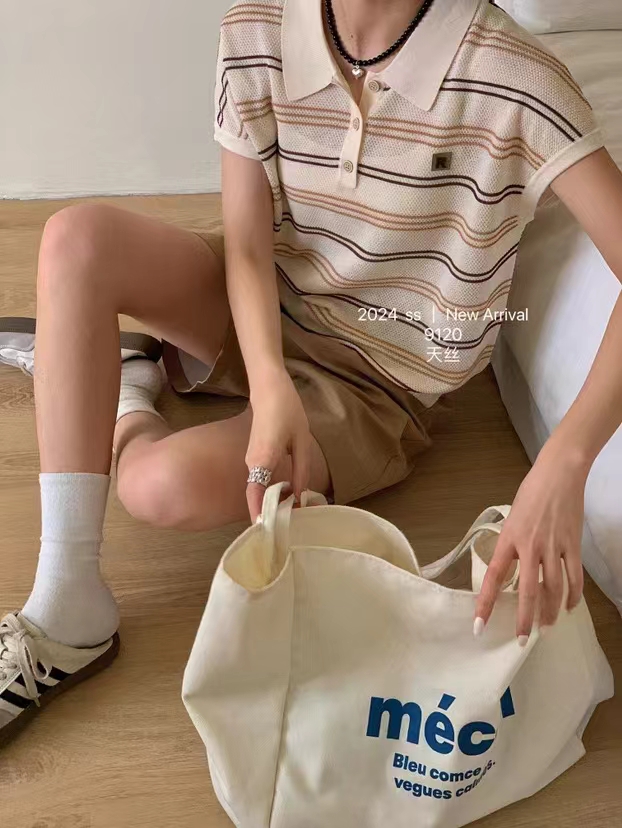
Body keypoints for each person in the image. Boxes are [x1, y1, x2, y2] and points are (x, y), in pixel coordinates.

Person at [1, 0, 622, 746]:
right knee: (75, 239)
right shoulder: (256, 27)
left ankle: (131, 387)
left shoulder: (515, 76)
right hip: (266, 295)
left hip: (376, 382)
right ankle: (65, 602)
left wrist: (565, 462)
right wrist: (268, 384)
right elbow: (247, 246)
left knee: (154, 487)